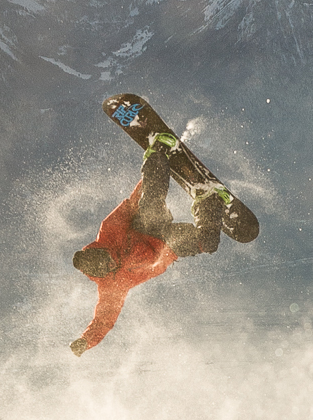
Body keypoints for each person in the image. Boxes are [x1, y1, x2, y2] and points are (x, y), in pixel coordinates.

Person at [69, 135, 229, 356]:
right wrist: (85, 342)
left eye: (106, 259)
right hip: (168, 247)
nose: (110, 264)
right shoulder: (111, 287)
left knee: (151, 205)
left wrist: (154, 170)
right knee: (208, 243)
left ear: (101, 250)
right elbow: (103, 321)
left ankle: (157, 151)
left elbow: (134, 201)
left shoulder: (109, 230)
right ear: (99, 274)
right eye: (106, 268)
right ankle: (208, 202)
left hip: (149, 227)